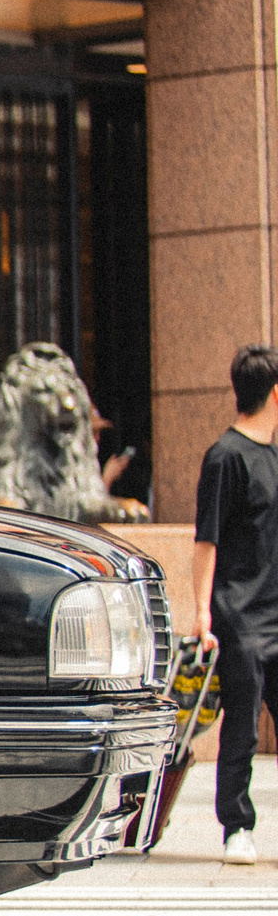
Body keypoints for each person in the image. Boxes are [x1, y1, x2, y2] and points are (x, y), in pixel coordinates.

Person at [193, 344, 278, 864]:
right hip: (239, 615)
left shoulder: (272, 455)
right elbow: (207, 541)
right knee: (242, 725)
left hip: (276, 610)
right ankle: (236, 828)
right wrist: (202, 613)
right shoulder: (225, 457)